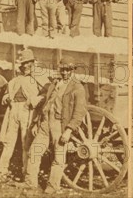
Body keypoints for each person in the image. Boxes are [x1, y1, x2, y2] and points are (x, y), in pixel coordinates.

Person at [25, 56, 87, 194]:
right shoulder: (54, 84)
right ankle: (31, 185)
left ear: (72, 70)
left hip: (60, 125)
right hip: (45, 123)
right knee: (34, 152)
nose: (64, 73)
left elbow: (79, 112)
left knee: (59, 158)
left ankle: (52, 187)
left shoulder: (77, 88)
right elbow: (46, 104)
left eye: (67, 70)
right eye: (62, 70)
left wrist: (69, 130)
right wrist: (36, 123)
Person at [0, 49, 43, 176]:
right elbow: (8, 92)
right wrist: (6, 98)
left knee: (25, 141)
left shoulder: (38, 77)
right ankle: (2, 168)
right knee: (8, 141)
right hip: (13, 110)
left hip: (27, 111)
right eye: (23, 63)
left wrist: (33, 101)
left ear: (33, 63)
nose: (25, 66)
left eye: (28, 63)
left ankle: (26, 171)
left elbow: (47, 94)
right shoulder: (17, 78)